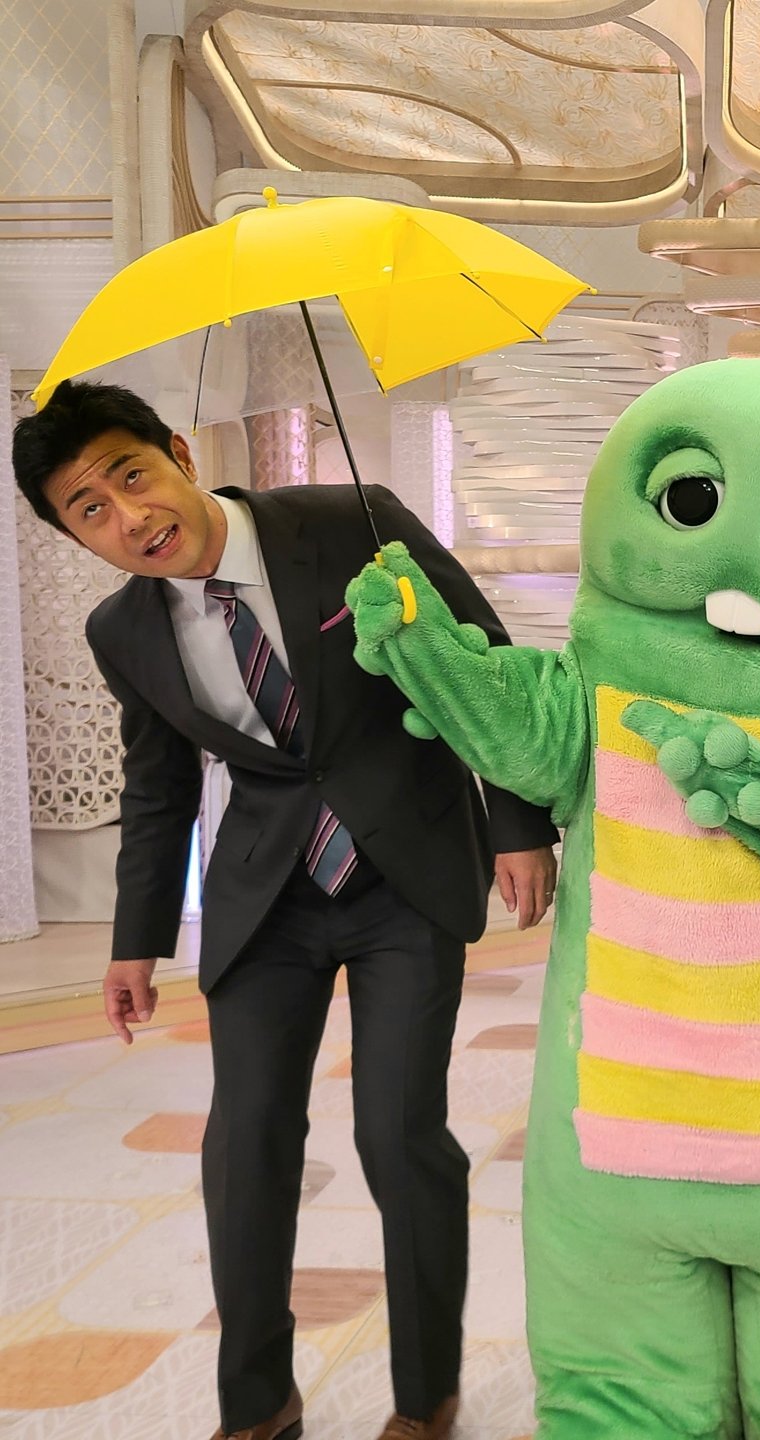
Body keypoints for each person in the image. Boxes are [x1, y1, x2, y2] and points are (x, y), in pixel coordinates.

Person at [12, 380, 559, 1440]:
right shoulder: (122, 630)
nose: (129, 516)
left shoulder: (353, 521)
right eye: (91, 509)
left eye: (132, 475)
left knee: (399, 1134)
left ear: (180, 455)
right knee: (246, 1142)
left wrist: (517, 823)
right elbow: (159, 788)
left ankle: (425, 1397)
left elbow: (484, 659)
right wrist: (135, 943)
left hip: (404, 876)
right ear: (76, 537)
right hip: (267, 898)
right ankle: (257, 1405)